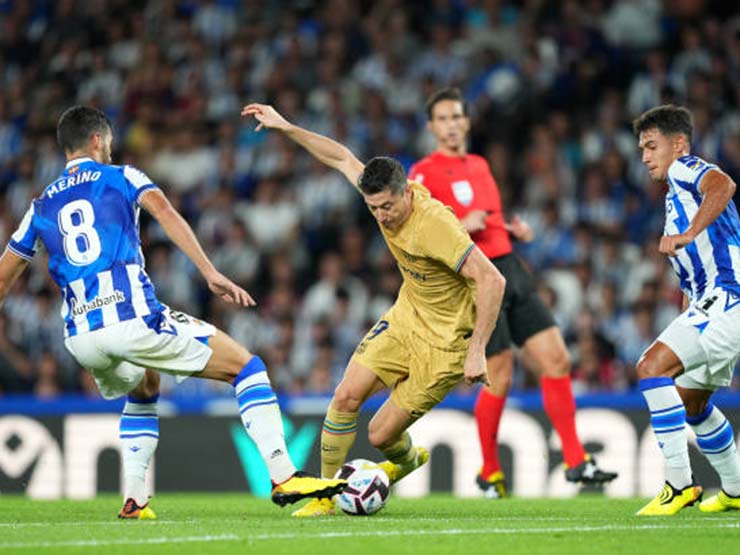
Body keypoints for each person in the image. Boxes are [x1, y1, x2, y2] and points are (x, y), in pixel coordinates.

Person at [0, 106, 345, 519]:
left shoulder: (39, 205)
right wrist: (209, 272)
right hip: (132, 319)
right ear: (96, 140)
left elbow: (4, 279)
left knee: (144, 385)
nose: (110, 148)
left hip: (81, 337)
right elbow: (163, 211)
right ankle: (284, 474)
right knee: (247, 367)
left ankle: (134, 500)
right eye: (107, 141)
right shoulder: (123, 176)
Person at [242, 102, 506, 517]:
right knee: (345, 395)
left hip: (447, 343)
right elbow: (340, 157)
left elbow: (492, 279)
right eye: (373, 208)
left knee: (381, 434)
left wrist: (476, 351)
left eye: (387, 207)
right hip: (406, 318)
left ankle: (407, 460)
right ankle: (326, 498)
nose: (381, 216)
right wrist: (286, 127)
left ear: (406, 192)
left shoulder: (434, 224)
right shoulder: (380, 194)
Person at [409, 87, 617, 498]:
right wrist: (457, 226)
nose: (451, 125)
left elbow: (488, 219)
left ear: (466, 122)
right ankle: (489, 471)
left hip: (509, 267)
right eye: (443, 119)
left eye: (456, 117)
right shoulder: (422, 173)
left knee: (556, 357)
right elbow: (416, 233)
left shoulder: (481, 165)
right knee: (499, 374)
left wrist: (510, 230)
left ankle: (576, 461)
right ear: (431, 126)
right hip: (472, 278)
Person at [632, 105, 740, 516]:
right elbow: (692, 276)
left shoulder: (685, 168)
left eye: (651, 145)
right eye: (641, 148)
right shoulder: (675, 199)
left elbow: (724, 184)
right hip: (715, 301)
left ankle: (679, 484)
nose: (644, 156)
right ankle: (734, 489)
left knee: (650, 367)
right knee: (691, 404)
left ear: (677, 145)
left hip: (728, 296)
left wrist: (689, 232)